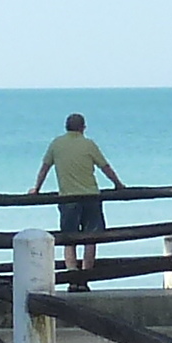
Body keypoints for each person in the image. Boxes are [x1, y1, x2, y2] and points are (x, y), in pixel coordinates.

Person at [30, 111, 124, 285]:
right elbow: (105, 167)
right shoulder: (88, 144)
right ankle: (85, 276)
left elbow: (44, 168)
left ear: (66, 127)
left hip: (67, 198)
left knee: (69, 238)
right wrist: (118, 184)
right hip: (91, 196)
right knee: (91, 238)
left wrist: (36, 188)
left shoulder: (56, 144)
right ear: (83, 128)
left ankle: (72, 276)